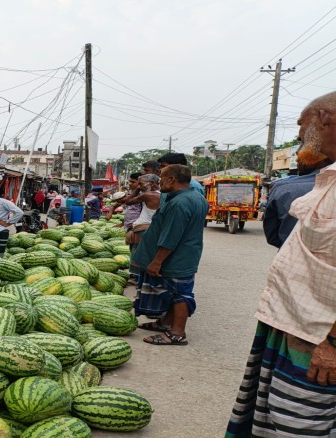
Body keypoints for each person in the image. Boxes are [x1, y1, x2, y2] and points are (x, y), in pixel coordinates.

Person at [226, 93, 336, 437]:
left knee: (300, 427)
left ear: (324, 118)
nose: (300, 133)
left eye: (303, 123)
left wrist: (331, 344)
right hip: (299, 329)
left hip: (320, 340)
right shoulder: (329, 178)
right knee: (274, 421)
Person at [132, 165, 208, 346]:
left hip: (177, 257)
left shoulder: (179, 203)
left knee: (180, 295)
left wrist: (157, 261)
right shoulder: (196, 197)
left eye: (162, 178)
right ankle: (165, 323)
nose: (159, 182)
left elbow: (171, 236)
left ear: (172, 179)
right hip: (186, 253)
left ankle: (177, 333)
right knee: (174, 293)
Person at [263, 148, 332, 248]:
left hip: (290, 255)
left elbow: (272, 237)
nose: (296, 160)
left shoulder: (282, 188)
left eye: (299, 157)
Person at [124, 174, 162, 284]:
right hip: (151, 229)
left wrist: (136, 190)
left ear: (153, 184)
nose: (140, 186)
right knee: (147, 256)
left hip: (143, 229)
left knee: (138, 257)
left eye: (141, 184)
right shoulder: (162, 195)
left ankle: (138, 280)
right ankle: (142, 281)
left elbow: (128, 201)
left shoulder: (148, 195)